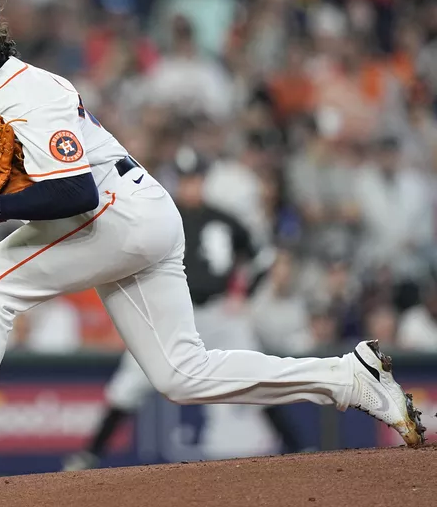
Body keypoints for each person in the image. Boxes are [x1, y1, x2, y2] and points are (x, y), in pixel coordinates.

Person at [0, 0, 425, 493]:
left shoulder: (33, 93)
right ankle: (348, 378)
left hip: (115, 213)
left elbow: (76, 192)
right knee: (181, 373)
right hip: (132, 216)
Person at [62, 148, 304, 472]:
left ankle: (299, 447)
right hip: (172, 312)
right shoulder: (161, 214)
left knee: (256, 372)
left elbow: (263, 257)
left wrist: (243, 294)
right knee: (130, 382)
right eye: (186, 179)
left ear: (204, 180)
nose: (191, 185)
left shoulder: (222, 217)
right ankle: (90, 454)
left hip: (219, 313)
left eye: (196, 179)